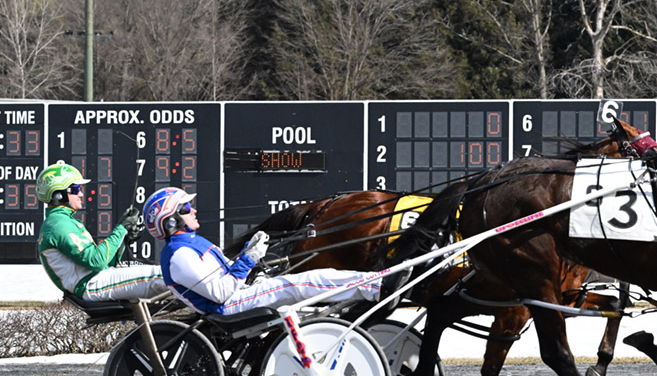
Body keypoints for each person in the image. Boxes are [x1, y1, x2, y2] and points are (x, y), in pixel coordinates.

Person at [143, 187, 409, 316]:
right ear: (170, 221)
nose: (194, 210)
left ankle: (375, 286)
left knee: (306, 281)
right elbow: (221, 293)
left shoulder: (191, 244)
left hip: (237, 297)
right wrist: (248, 259)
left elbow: (226, 276)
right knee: (304, 281)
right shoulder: (179, 255)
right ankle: (377, 287)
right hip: (229, 307)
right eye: (186, 208)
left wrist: (250, 255)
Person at [37, 160, 166, 302]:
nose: (81, 194)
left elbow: (105, 264)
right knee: (164, 275)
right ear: (58, 195)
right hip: (91, 285)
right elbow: (96, 261)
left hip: (95, 281)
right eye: (75, 189)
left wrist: (124, 238)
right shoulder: (58, 224)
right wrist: (121, 228)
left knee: (167, 275)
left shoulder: (61, 222)